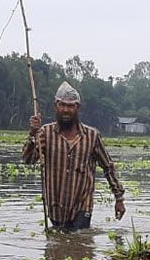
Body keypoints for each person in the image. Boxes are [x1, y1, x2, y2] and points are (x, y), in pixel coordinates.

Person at [23, 81, 125, 231]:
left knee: (79, 239)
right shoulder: (45, 133)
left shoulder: (92, 136)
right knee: (58, 246)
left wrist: (119, 198)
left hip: (82, 204)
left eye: (70, 106)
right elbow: (28, 160)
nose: (66, 110)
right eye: (62, 105)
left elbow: (108, 167)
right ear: (56, 106)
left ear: (77, 108)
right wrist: (32, 134)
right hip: (55, 205)